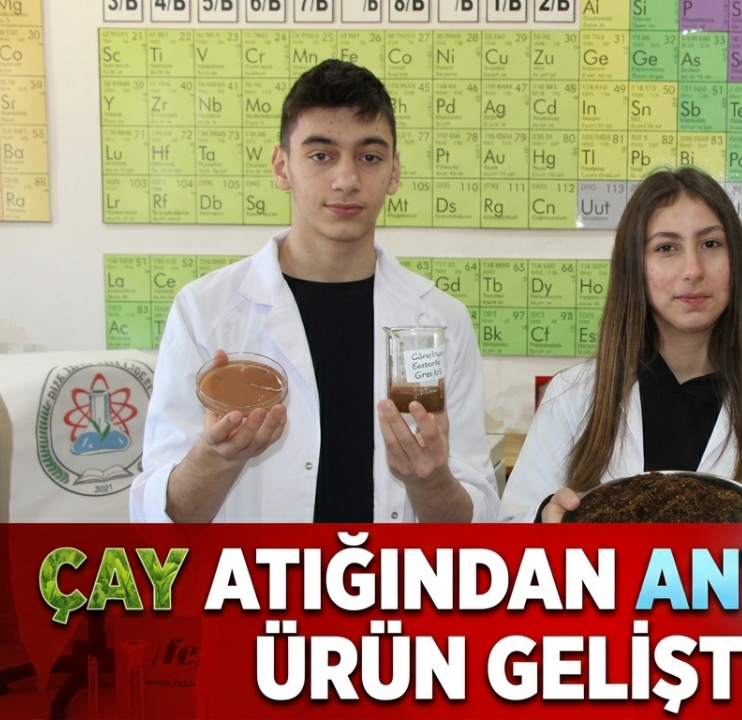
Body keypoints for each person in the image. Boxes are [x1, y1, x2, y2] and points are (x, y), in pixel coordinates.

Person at [130, 60, 498, 522]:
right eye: (321, 155)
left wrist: (431, 481)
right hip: (255, 570)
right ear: (282, 167)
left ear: (394, 173)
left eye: (369, 157)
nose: (346, 180)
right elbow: (157, 521)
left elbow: (475, 525)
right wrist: (218, 457)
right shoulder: (205, 311)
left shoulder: (441, 321)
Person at [499, 167, 742, 523]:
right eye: (666, 247)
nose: (693, 270)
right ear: (634, 267)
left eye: (710, 244)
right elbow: (509, 534)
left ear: (736, 262)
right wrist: (544, 524)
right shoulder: (571, 397)